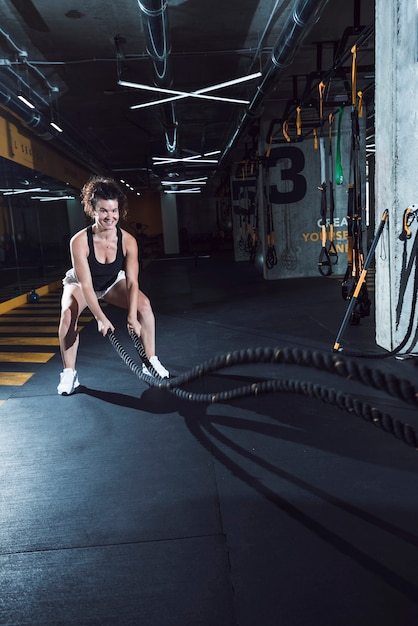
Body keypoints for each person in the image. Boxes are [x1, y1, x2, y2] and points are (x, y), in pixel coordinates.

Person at [57, 175, 169, 395]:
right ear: (93, 210)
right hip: (80, 283)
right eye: (104, 211)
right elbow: (87, 286)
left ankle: (150, 362)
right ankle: (69, 373)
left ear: (120, 211)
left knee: (144, 306)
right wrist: (100, 318)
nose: (111, 216)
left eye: (114, 210)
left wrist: (131, 317)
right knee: (68, 314)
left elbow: (133, 281)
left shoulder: (128, 241)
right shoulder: (79, 241)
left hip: (110, 282)